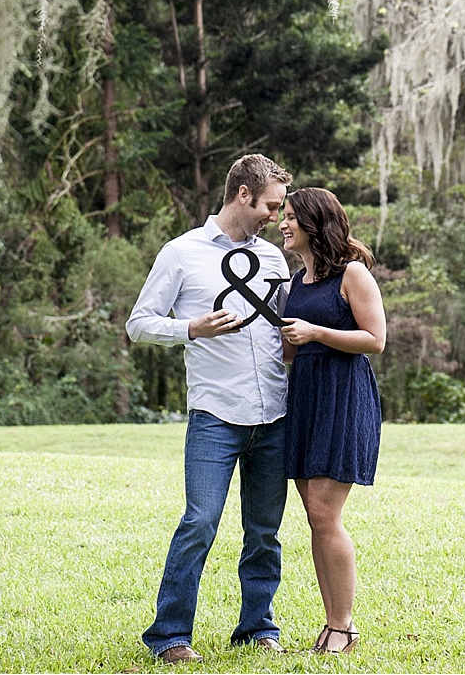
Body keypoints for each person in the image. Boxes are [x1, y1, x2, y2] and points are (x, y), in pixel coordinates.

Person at [126, 154, 293, 665]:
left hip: (275, 415)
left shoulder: (274, 259)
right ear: (243, 195)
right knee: (199, 522)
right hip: (215, 416)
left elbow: (284, 328)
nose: (276, 216)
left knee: (264, 532)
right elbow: (139, 323)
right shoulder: (181, 253)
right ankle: (171, 636)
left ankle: (257, 627)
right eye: (271, 205)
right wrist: (191, 329)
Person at [277, 187, 387, 654]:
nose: (282, 223)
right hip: (305, 396)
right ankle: (333, 623)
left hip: (343, 396)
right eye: (281, 215)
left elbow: (375, 339)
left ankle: (342, 625)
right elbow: (287, 353)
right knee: (314, 515)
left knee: (326, 513)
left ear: (314, 222)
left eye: (289, 216)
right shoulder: (293, 283)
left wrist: (316, 331)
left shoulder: (352, 274)